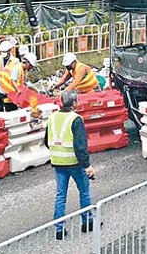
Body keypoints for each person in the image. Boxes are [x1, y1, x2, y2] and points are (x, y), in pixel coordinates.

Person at [44, 91, 95, 240]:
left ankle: (59, 230)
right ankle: (87, 222)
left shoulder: (52, 117)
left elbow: (46, 141)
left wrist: (58, 151)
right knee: (84, 192)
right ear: (74, 103)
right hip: (74, 163)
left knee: (61, 196)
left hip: (58, 163)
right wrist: (87, 166)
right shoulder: (76, 119)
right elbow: (80, 145)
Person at [0, 40, 19, 112]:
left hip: (10, 90)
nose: (2, 53)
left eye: (4, 51)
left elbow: (16, 76)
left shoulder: (15, 61)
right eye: (1, 51)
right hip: (0, 89)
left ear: (9, 50)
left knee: (11, 109)